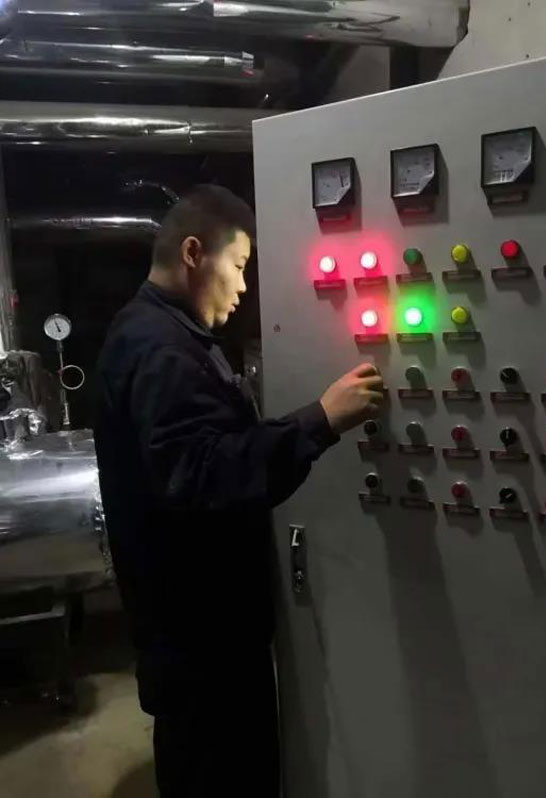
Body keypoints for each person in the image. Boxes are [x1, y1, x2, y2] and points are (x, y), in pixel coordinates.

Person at [94, 184, 385, 796]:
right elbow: (203, 475)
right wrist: (321, 420)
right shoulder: (162, 351)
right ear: (193, 253)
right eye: (240, 264)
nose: (245, 286)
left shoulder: (157, 335)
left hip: (196, 635)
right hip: (202, 642)